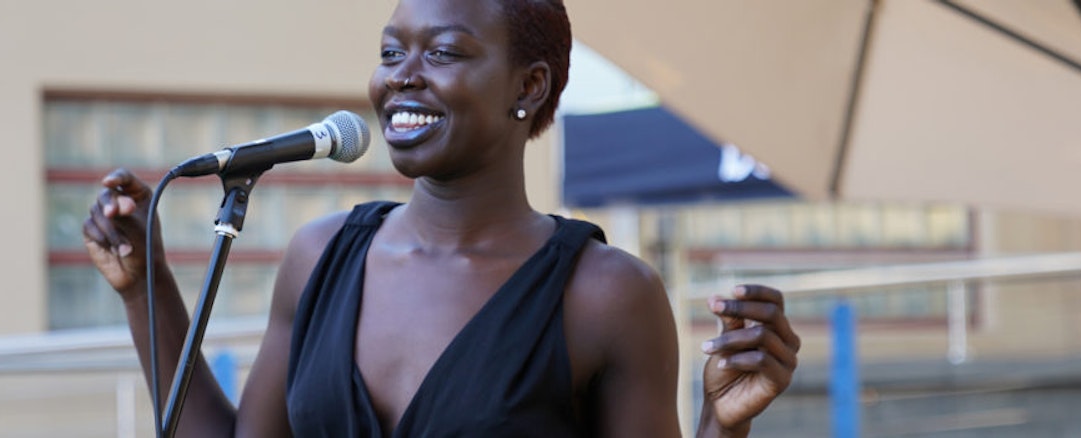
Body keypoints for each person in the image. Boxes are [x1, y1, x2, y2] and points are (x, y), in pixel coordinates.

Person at [82, 0, 800, 436]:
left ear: (529, 86)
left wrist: (721, 425)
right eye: (391, 51)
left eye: (444, 52)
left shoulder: (605, 293)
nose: (402, 74)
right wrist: (145, 288)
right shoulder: (320, 256)